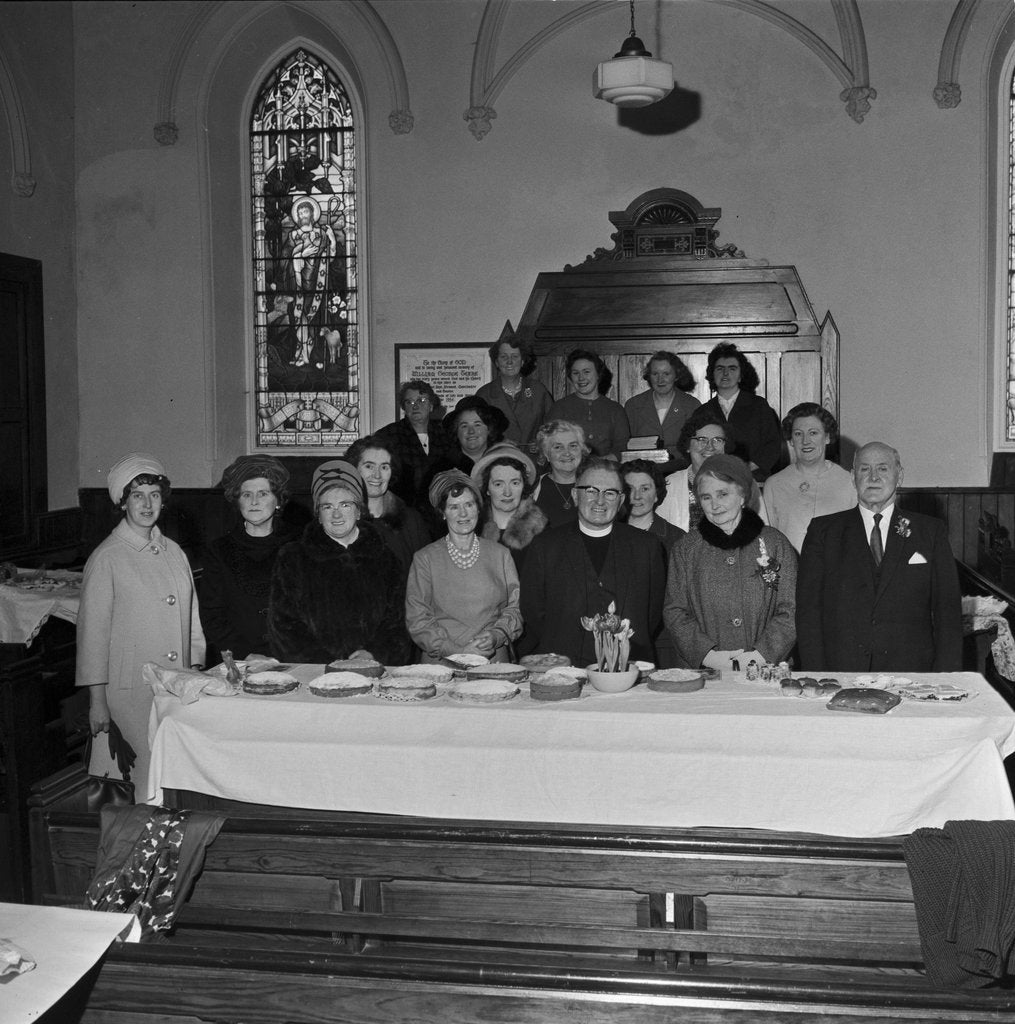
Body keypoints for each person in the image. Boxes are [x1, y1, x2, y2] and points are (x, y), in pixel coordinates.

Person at [77, 453, 205, 800]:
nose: (147, 504)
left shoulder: (174, 551)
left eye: (154, 495)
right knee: (143, 777)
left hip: (174, 684)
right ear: (122, 503)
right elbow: (92, 636)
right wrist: (97, 701)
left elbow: (190, 617)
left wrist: (193, 670)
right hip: (129, 692)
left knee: (173, 775)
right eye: (137, 495)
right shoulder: (108, 558)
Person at [796, 442, 962, 672]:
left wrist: (945, 677)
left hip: (912, 674)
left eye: (883, 469)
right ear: (853, 477)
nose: (873, 477)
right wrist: (816, 674)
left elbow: (948, 613)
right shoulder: (823, 532)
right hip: (841, 672)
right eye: (865, 469)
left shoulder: (930, 532)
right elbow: (808, 613)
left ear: (899, 476)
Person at [519, 456, 666, 666]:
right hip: (564, 666)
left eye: (610, 493)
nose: (600, 500)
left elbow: (652, 614)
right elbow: (533, 611)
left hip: (629, 666)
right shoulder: (544, 546)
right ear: (575, 495)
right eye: (590, 491)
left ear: (621, 500)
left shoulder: (647, 547)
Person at [268, 460, 411, 664]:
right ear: (318, 515)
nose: (336, 514)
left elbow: (396, 624)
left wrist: (372, 655)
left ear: (359, 510)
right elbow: (285, 627)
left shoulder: (385, 558)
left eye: (345, 504)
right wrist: (331, 665)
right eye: (327, 506)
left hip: (374, 670)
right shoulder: (292, 558)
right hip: (316, 674)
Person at [664, 454, 797, 672]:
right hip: (704, 673)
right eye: (706, 497)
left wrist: (761, 655)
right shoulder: (685, 549)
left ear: (743, 495)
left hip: (767, 670)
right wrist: (706, 655)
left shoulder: (775, 543)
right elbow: (675, 611)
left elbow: (791, 610)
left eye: (723, 494)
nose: (714, 505)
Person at [405, 470, 522, 663]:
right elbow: (418, 619)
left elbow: (515, 608)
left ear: (478, 508)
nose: (463, 514)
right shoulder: (425, 558)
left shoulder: (500, 554)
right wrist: (456, 651)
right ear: (443, 513)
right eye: (453, 507)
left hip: (491, 660)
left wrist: (496, 635)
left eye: (469, 504)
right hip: (442, 663)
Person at [200, 454, 295, 662]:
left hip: (291, 658)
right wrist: (245, 654)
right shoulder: (219, 550)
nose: (254, 502)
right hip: (239, 660)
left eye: (263, 493)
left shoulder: (297, 546)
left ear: (277, 500)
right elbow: (212, 616)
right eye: (246, 495)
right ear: (238, 501)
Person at [763, 403, 856, 553]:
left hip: (836, 572)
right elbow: (769, 539)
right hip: (791, 570)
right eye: (798, 434)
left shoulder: (848, 482)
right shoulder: (774, 484)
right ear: (791, 440)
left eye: (813, 433)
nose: (805, 441)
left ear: (827, 437)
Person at [656, 407, 767, 531]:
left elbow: (762, 532)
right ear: (687, 445)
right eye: (701, 440)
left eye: (717, 440)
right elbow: (661, 534)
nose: (710, 447)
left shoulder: (745, 483)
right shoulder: (670, 484)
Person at [699, 343, 786, 481]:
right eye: (720, 368)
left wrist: (745, 468)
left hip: (754, 479)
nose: (726, 373)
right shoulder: (702, 411)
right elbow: (695, 448)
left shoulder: (759, 406)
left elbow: (773, 445)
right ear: (712, 374)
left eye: (732, 368)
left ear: (741, 375)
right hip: (713, 479)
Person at [346, 434, 430, 572]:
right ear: (354, 470)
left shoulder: (412, 521)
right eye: (369, 466)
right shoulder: (341, 519)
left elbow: (425, 576)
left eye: (384, 467)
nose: (377, 475)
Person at [375, 379, 457, 508]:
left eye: (422, 400)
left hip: (441, 508)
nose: (415, 406)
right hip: (403, 509)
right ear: (404, 407)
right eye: (409, 402)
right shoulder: (388, 435)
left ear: (431, 406)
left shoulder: (445, 435)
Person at [475, 322, 552, 453]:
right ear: (497, 362)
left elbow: (553, 426)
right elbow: (476, 432)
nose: (509, 361)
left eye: (515, 357)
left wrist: (542, 441)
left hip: (533, 460)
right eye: (504, 357)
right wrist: (497, 441)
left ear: (522, 361)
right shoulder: (484, 394)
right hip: (498, 459)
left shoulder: (538, 390)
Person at [472, 442, 549, 574]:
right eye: (498, 484)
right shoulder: (472, 531)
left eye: (515, 483)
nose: (507, 492)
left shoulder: (542, 533)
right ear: (487, 489)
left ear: (523, 485)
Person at [623, 351, 700, 471]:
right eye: (655, 374)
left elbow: (696, 447)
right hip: (643, 472)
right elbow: (626, 446)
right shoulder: (633, 405)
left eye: (666, 374)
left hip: (681, 472)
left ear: (677, 376)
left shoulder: (691, 405)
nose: (660, 379)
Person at [546, 349, 630, 459]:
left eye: (586, 372)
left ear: (598, 375)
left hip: (606, 471)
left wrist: (600, 466)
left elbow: (622, 447)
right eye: (576, 373)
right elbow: (550, 444)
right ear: (570, 378)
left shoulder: (615, 409)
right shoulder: (559, 408)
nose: (581, 378)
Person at [531, 420, 589, 529]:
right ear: (546, 453)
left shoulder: (596, 486)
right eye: (558, 447)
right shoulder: (533, 489)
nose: (567, 453)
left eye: (573, 446)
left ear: (581, 450)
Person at [620, 460, 686, 551]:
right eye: (630, 489)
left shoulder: (677, 539)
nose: (637, 496)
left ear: (656, 494)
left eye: (645, 489)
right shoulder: (607, 531)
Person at [441, 395, 508, 475]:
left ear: (489, 429)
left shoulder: (506, 464)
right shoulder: (443, 469)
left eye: (477, 425)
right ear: (456, 432)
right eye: (464, 426)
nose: (471, 431)